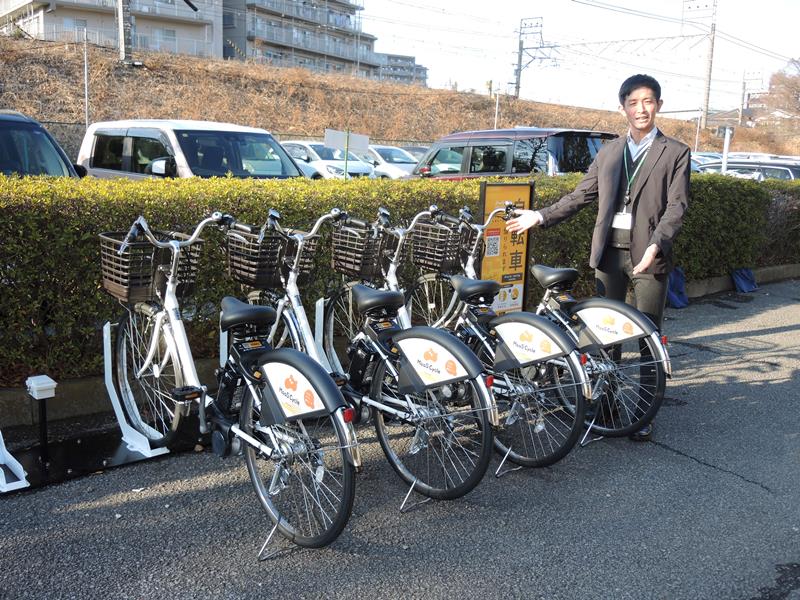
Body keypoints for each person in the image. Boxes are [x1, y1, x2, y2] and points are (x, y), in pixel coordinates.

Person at [506, 73, 690, 442]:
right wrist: (539, 215)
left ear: (659, 105)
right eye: (634, 102)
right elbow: (580, 196)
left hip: (648, 258)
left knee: (648, 336)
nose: (641, 109)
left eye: (648, 101)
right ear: (622, 107)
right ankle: (606, 408)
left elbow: (677, 206)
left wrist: (657, 243)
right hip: (609, 256)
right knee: (606, 337)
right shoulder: (609, 151)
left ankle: (643, 414)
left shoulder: (675, 152)